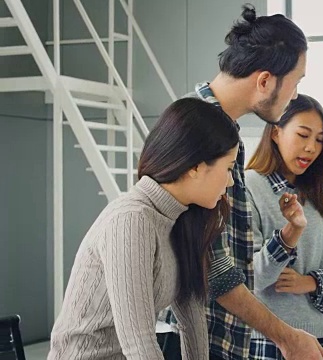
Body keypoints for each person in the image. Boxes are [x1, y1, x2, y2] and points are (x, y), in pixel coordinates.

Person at [157, 4, 323, 360]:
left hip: (218, 339)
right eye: (296, 82)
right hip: (193, 343)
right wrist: (287, 337)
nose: (295, 95)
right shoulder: (195, 129)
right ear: (265, 80)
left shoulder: (223, 131)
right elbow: (213, 267)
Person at [48, 97, 240, 359]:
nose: (230, 181)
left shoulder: (181, 220)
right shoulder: (131, 220)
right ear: (196, 167)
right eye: (228, 168)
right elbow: (139, 345)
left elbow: (192, 322)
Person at [244, 94, 323, 359]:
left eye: (319, 140)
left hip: (320, 339)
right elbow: (252, 278)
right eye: (303, 135)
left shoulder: (322, 197)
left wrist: (308, 282)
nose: (311, 148)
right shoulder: (249, 187)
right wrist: (290, 234)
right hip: (268, 341)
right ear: (276, 133)